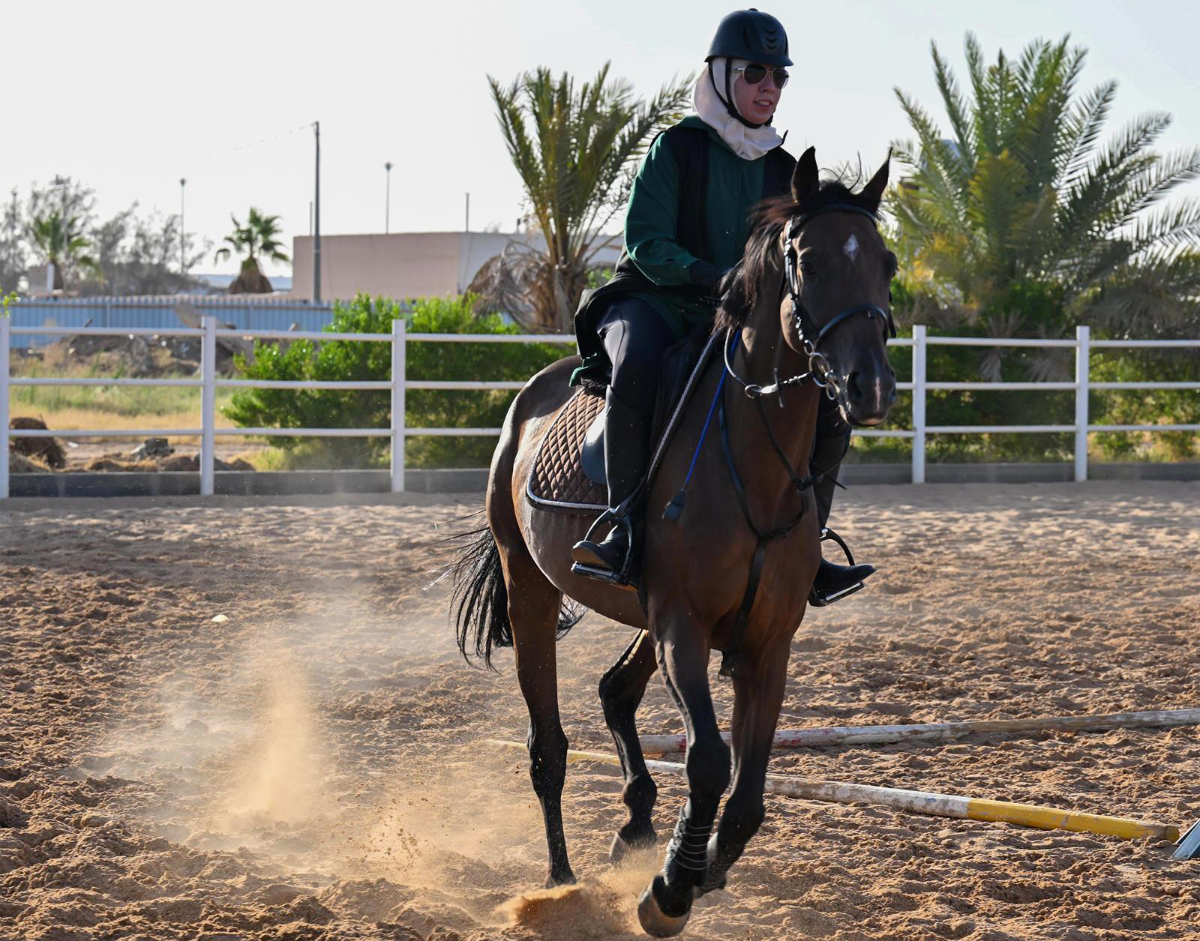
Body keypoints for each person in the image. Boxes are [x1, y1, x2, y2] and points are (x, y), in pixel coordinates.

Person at [569, 8, 876, 604]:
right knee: (636, 368)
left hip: (742, 318)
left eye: (779, 77)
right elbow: (646, 242)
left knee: (828, 399)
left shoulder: (786, 169)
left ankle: (811, 544)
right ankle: (622, 527)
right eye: (756, 73)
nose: (769, 87)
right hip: (655, 299)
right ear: (720, 74)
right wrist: (712, 275)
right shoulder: (675, 147)